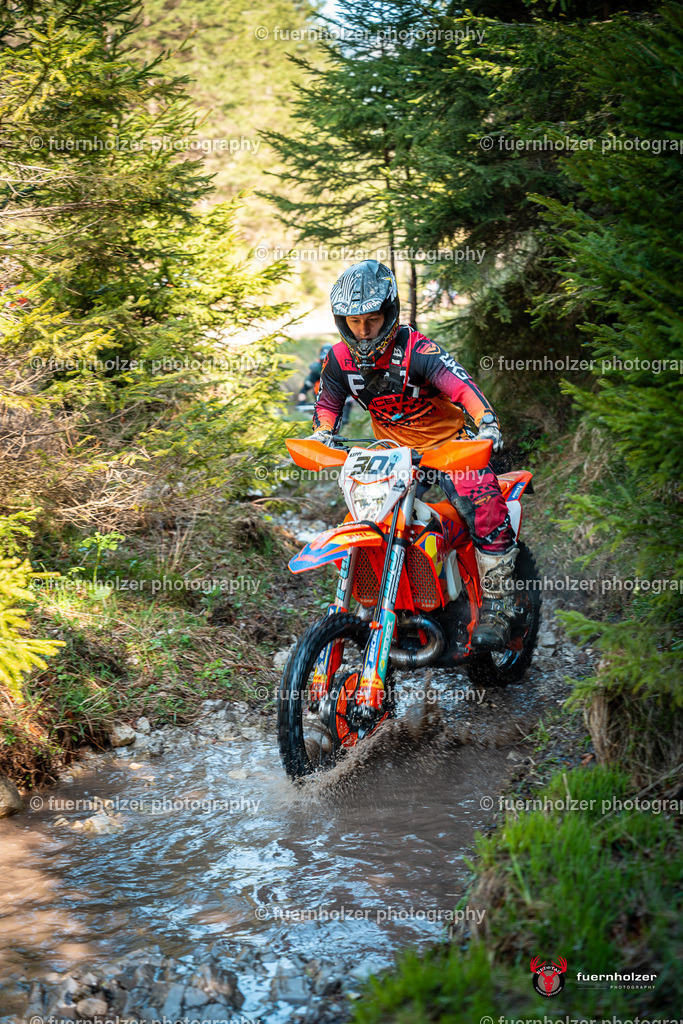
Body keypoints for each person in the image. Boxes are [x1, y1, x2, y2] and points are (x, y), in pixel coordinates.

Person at [306, 259, 518, 651]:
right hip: (394, 454)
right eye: (354, 322)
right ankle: (385, 602)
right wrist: (323, 432)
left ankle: (500, 606)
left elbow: (461, 386)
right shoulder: (338, 359)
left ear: (389, 313)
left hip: (449, 447)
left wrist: (486, 420)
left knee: (484, 504)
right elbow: (328, 401)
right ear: (341, 321)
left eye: (371, 319)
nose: (364, 330)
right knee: (368, 517)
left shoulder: (417, 350)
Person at [297, 343, 352, 426]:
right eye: (323, 360)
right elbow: (305, 388)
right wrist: (301, 401)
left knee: (344, 414)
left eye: (328, 360)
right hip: (322, 397)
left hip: (341, 398)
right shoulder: (316, 370)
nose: (326, 363)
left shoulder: (342, 369)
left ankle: (343, 421)